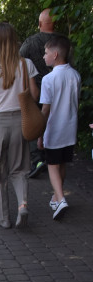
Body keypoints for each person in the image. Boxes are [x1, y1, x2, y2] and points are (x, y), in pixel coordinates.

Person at [0, 22, 39, 229]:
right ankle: (22, 204)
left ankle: (3, 217)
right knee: (19, 168)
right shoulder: (25, 64)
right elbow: (35, 95)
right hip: (20, 121)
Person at [36, 35, 81, 220]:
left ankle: (61, 199)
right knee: (61, 163)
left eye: (46, 53)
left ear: (55, 55)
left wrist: (40, 132)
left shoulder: (48, 79)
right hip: (70, 127)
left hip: (54, 129)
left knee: (52, 165)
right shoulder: (75, 75)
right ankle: (56, 196)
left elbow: (45, 109)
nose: (44, 56)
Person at [20, 8, 58, 178]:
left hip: (37, 88)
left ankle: (37, 159)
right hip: (59, 89)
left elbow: (19, 59)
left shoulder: (32, 41)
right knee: (53, 121)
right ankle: (54, 157)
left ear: (40, 24)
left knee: (34, 123)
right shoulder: (63, 41)